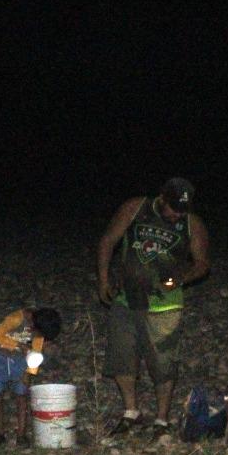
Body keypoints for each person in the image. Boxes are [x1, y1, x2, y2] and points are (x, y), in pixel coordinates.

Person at [95, 177, 210, 436]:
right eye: (173, 209)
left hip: (164, 305)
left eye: (182, 210)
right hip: (126, 298)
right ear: (162, 197)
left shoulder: (192, 223)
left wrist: (181, 278)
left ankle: (161, 419)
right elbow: (107, 241)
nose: (176, 215)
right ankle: (130, 412)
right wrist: (103, 280)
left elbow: (203, 263)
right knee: (122, 355)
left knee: (163, 362)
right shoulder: (136, 208)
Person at [0, 306, 62, 445]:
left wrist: (29, 372)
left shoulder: (39, 332)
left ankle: (21, 435)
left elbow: (36, 352)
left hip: (20, 360)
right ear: (33, 325)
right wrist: (19, 346)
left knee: (22, 394)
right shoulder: (16, 319)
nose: (39, 337)